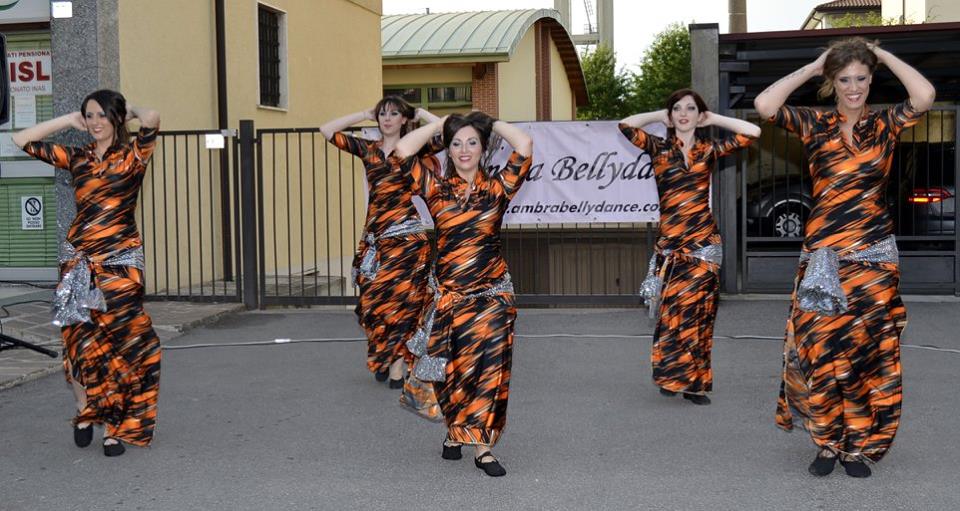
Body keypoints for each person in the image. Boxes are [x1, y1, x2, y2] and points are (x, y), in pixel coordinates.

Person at [754, 37, 935, 478]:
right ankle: (826, 442)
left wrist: (882, 54)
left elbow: (925, 95)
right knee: (819, 350)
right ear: (832, 83)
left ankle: (856, 445)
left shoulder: (886, 124)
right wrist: (813, 66)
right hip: (824, 259)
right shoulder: (814, 124)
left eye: (861, 78)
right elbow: (765, 105)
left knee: (864, 353)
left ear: (871, 80)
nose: (853, 88)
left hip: (873, 259)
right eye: (844, 79)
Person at [11, 90, 162, 457]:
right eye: (89, 115)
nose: (95, 122)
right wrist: (68, 119)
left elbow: (152, 117)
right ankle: (84, 409)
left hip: (121, 262)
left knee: (120, 343)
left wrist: (127, 112)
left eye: (102, 115)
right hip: (78, 261)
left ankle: (112, 427)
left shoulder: (134, 156)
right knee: (78, 343)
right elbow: (21, 140)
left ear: (116, 118)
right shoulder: (77, 157)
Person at [392, 112, 533, 477]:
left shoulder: (498, 188)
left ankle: (483, 449)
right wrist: (443, 124)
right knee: (453, 373)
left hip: (493, 298)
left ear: (483, 147)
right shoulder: (435, 188)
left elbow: (524, 144)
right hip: (449, 301)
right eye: (456, 143)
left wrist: (488, 121)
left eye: (472, 142)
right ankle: (455, 431)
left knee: (491, 373)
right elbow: (402, 150)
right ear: (448, 149)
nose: (464, 149)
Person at [620, 89, 759, 406]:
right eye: (678, 109)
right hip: (670, 248)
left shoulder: (708, 150)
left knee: (698, 315)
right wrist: (659, 115)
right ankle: (671, 376)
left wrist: (714, 118)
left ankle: (694, 384)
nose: (684, 113)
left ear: (699, 115)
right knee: (671, 315)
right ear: (670, 116)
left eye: (691, 108)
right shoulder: (657, 148)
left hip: (703, 246)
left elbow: (753, 131)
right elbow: (626, 125)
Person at [320, 98, 440, 388]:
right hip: (376, 239)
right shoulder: (368, 150)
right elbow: (326, 130)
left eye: (394, 113)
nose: (387, 118)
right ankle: (384, 354)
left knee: (404, 302)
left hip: (408, 240)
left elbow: (449, 132)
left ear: (403, 119)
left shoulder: (414, 149)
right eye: (382, 114)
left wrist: (421, 113)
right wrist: (364, 113)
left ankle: (397, 366)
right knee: (375, 302)